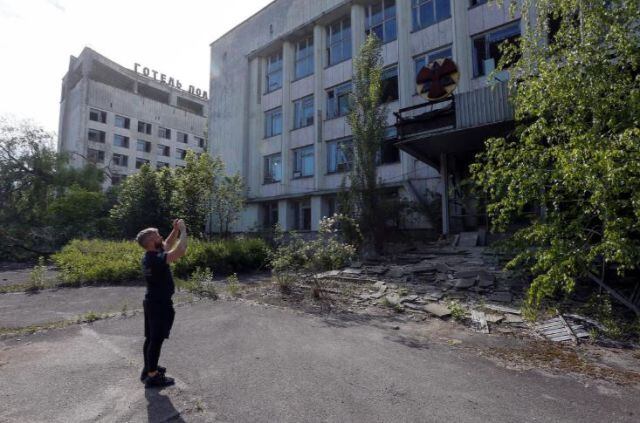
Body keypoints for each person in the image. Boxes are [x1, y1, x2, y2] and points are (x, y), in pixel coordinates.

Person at [135, 218, 187, 388]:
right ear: (151, 241)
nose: (161, 237)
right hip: (160, 305)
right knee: (156, 340)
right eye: (157, 235)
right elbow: (180, 250)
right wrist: (183, 230)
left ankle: (148, 369)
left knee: (150, 338)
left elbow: (167, 244)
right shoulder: (155, 259)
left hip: (152, 302)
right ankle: (153, 376)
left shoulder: (150, 255)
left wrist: (175, 230)